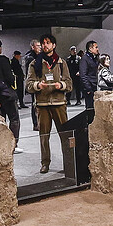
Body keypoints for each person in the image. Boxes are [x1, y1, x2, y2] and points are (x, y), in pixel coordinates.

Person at [25, 33, 72, 174]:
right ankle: (45, 163)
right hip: (42, 105)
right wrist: (38, 85)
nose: (45, 45)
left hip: (59, 104)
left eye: (48, 43)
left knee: (65, 135)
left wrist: (61, 85)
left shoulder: (61, 63)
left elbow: (69, 84)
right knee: (44, 137)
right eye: (43, 43)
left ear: (54, 45)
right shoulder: (34, 64)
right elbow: (28, 85)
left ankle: (69, 163)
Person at [23, 38, 42, 130]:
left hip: (40, 82)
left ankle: (40, 121)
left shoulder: (39, 56)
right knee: (34, 103)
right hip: (33, 83)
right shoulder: (30, 57)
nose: (40, 47)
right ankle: (36, 123)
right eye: (38, 46)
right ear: (32, 47)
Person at [78, 40, 100, 109]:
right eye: (96, 47)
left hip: (94, 86)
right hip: (89, 88)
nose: (97, 49)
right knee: (90, 108)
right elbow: (83, 75)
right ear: (90, 49)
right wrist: (88, 88)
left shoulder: (94, 58)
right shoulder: (85, 59)